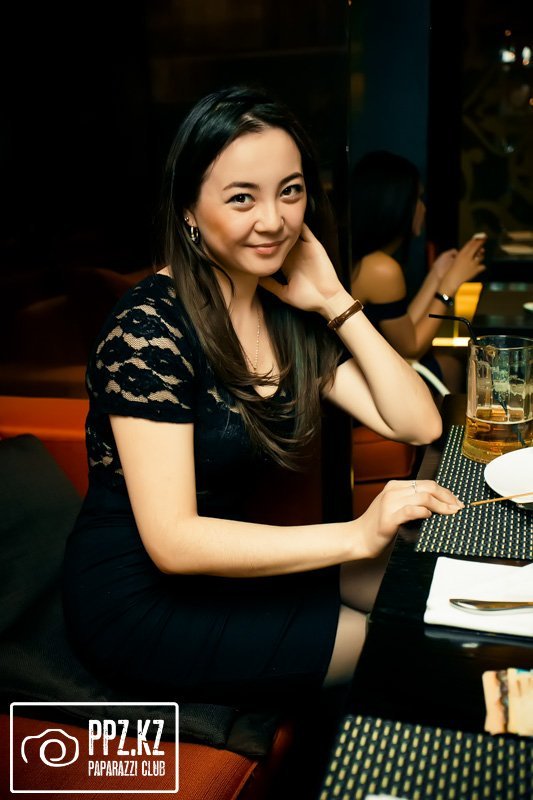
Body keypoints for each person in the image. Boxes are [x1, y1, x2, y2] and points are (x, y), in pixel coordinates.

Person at [62, 86, 463, 707]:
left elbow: (418, 425)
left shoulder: (285, 311)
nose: (274, 220)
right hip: (138, 600)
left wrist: (334, 301)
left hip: (233, 563)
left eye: (290, 191)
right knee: (405, 644)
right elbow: (173, 542)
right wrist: (357, 535)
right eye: (242, 197)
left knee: (438, 598)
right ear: (189, 209)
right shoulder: (148, 328)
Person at [349, 150, 486, 394]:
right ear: (397, 205)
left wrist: (437, 275)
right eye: (418, 198)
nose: (422, 207)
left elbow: (406, 330)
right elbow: (410, 348)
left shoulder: (367, 260)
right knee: (453, 366)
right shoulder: (380, 268)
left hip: (365, 373)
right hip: (361, 384)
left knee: (449, 362)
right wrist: (449, 286)